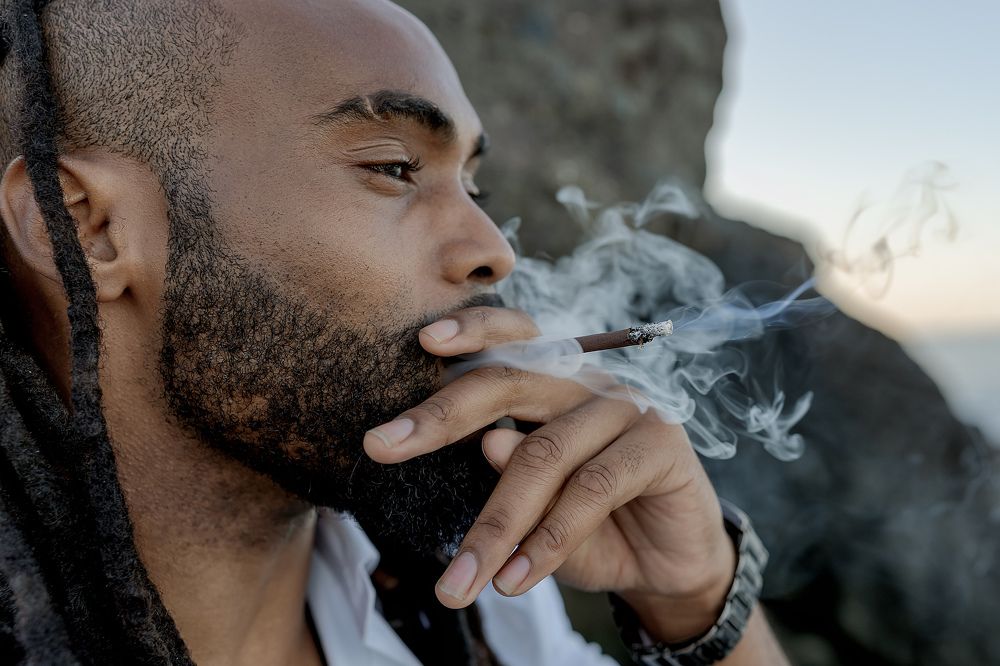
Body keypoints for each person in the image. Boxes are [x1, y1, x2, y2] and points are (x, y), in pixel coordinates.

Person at [0, 0, 789, 663]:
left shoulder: (470, 610)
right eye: (394, 168)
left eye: (472, 184)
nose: (494, 251)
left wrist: (693, 597)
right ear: (86, 227)